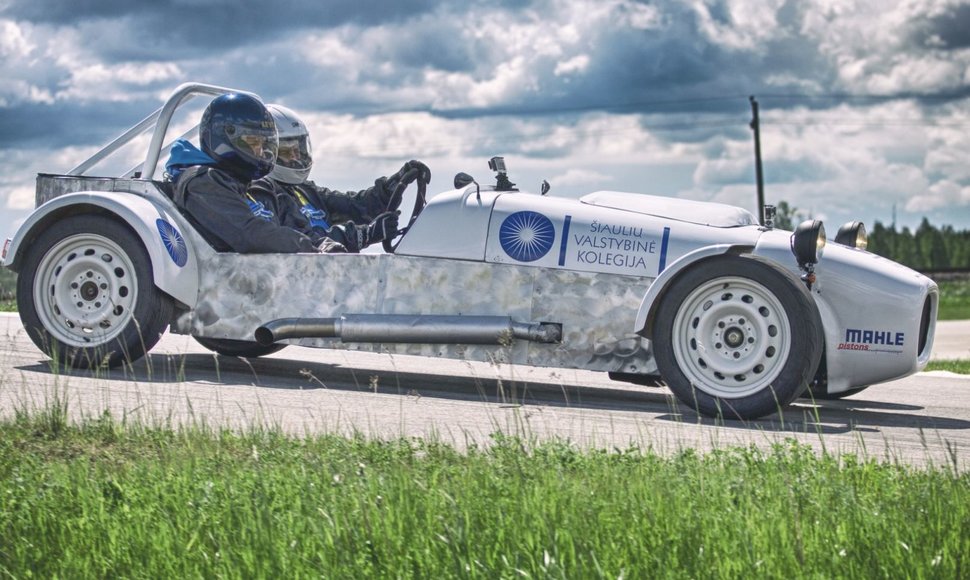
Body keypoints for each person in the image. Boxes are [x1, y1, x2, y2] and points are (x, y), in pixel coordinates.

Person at [247, 103, 431, 253]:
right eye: (288, 152)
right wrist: (365, 235)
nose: (296, 158)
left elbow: (357, 206)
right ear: (267, 152)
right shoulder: (261, 194)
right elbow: (304, 240)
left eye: (298, 150)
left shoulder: (305, 190)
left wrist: (393, 184)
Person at [168, 92, 330, 253]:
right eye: (253, 142)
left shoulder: (256, 183)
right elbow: (250, 236)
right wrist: (309, 247)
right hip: (229, 275)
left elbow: (298, 227)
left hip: (271, 274)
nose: (261, 151)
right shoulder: (202, 182)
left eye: (263, 143)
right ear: (224, 137)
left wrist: (323, 245)